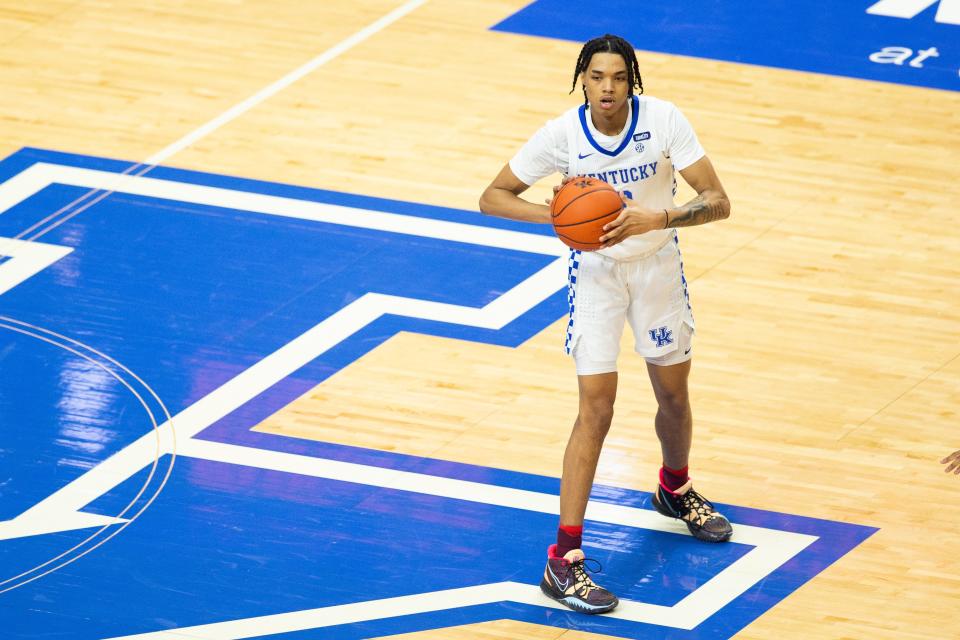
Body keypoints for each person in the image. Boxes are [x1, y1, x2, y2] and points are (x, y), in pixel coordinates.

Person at [479, 34, 733, 615]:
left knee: (673, 396)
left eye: (619, 77)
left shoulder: (665, 120)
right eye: (598, 77)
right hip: (595, 277)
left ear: (632, 81)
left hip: (658, 270)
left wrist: (660, 215)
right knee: (596, 410)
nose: (609, 87)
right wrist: (561, 218)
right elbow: (493, 197)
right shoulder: (563, 134)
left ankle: (675, 490)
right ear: (583, 81)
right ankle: (563, 561)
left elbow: (719, 200)